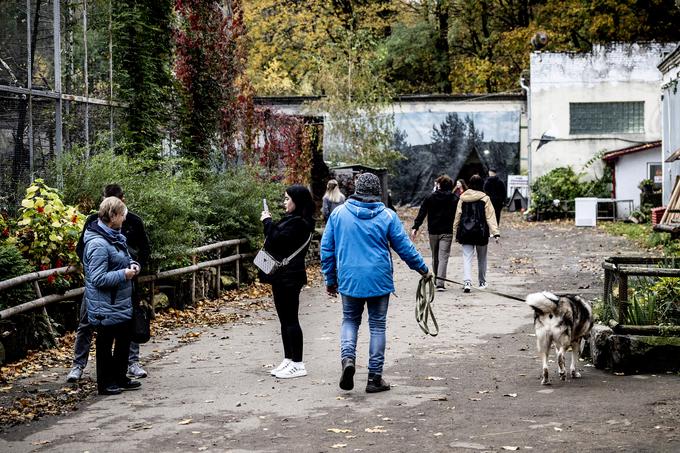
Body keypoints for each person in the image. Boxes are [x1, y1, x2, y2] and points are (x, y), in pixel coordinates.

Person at [321, 172, 432, 393]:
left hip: (349, 278)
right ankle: (374, 378)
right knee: (377, 325)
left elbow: (327, 249)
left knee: (350, 321)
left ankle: (348, 360)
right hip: (379, 279)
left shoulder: (339, 215)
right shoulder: (387, 216)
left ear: (357, 190)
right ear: (377, 192)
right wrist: (423, 269)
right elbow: (404, 247)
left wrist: (330, 279)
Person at [67, 184, 150, 383]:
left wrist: (134, 265)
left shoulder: (132, 222)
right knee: (88, 325)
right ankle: (79, 365)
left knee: (127, 324)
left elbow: (143, 249)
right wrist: (101, 269)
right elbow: (85, 252)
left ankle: (131, 363)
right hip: (102, 288)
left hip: (126, 282)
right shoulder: (93, 225)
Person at [83, 197, 142, 395]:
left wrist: (133, 265)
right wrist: (123, 275)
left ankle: (120, 377)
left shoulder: (115, 236)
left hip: (121, 301)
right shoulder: (98, 243)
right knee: (105, 343)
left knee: (124, 340)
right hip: (105, 304)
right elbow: (97, 278)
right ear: (113, 216)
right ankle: (105, 383)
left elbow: (124, 258)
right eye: (123, 216)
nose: (125, 220)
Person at [260, 185, 316, 379]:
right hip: (281, 275)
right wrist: (269, 224)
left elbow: (277, 240)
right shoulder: (292, 220)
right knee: (284, 319)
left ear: (297, 201)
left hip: (290, 276)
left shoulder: (300, 223)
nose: (284, 202)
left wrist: (267, 222)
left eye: (287, 199)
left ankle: (298, 363)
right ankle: (288, 359)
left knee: (291, 319)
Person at [453, 175, 500, 293]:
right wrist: (495, 232)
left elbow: (458, 216)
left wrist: (455, 231)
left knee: (467, 257)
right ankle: (482, 282)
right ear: (481, 184)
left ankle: (467, 282)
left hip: (465, 232)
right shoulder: (485, 198)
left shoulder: (462, 198)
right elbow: (490, 216)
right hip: (481, 232)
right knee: (482, 258)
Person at [410, 175, 457, 291]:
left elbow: (422, 212)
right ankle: (440, 283)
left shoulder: (430, 197)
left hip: (433, 231)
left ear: (439, 185)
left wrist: (416, 226)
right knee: (443, 257)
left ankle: (437, 280)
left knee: (435, 256)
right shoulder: (454, 198)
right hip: (447, 231)